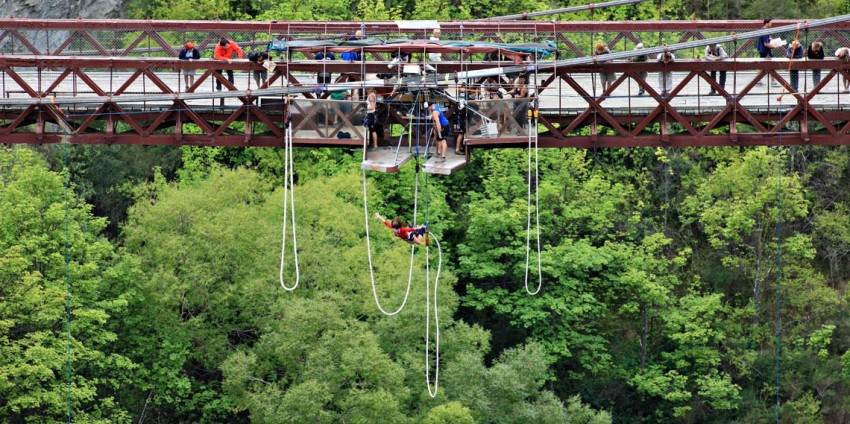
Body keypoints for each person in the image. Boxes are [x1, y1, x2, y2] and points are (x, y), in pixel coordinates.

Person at [757, 19, 780, 86]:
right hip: (765, 50)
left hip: (763, 50)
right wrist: (774, 47)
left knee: (761, 65)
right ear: (766, 23)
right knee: (771, 64)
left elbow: (768, 38)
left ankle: (758, 81)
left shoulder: (764, 29)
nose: (771, 24)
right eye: (770, 23)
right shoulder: (764, 31)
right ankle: (773, 82)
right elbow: (766, 44)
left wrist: (775, 41)